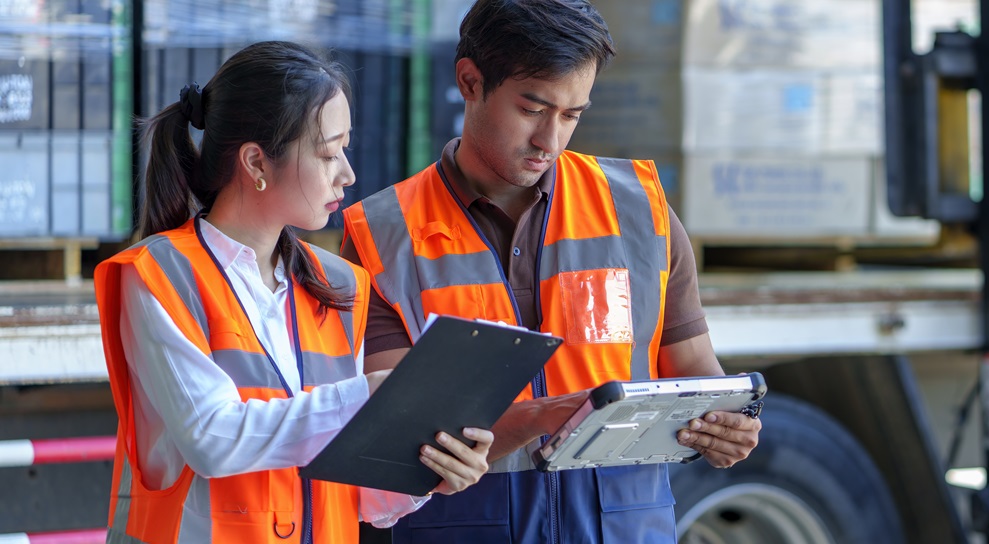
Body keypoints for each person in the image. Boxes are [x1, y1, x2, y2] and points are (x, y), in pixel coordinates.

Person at [339, 1, 762, 541]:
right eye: (533, 108)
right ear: (470, 81)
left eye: (571, 115)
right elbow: (399, 441)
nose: (551, 141)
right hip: (467, 525)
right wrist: (549, 415)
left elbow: (697, 372)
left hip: (624, 522)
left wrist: (726, 426)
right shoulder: (382, 234)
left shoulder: (640, 211)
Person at [94, 41, 493, 543]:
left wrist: (428, 467)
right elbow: (213, 440)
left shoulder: (340, 284)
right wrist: (367, 397)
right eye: (329, 153)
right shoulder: (158, 275)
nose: (348, 173)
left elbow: (353, 490)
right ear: (256, 163)